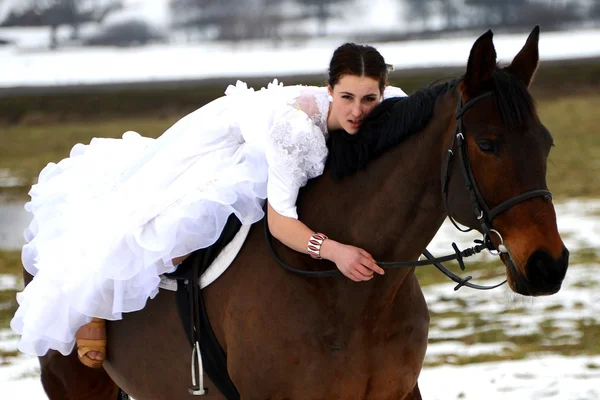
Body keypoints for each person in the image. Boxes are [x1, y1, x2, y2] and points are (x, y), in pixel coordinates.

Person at [10, 43, 408, 368]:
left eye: (368, 99)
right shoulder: (297, 135)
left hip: (273, 132)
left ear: (383, 91)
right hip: (233, 140)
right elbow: (281, 223)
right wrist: (334, 250)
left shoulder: (389, 101)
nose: (358, 111)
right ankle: (95, 297)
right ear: (329, 91)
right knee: (171, 223)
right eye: (347, 98)